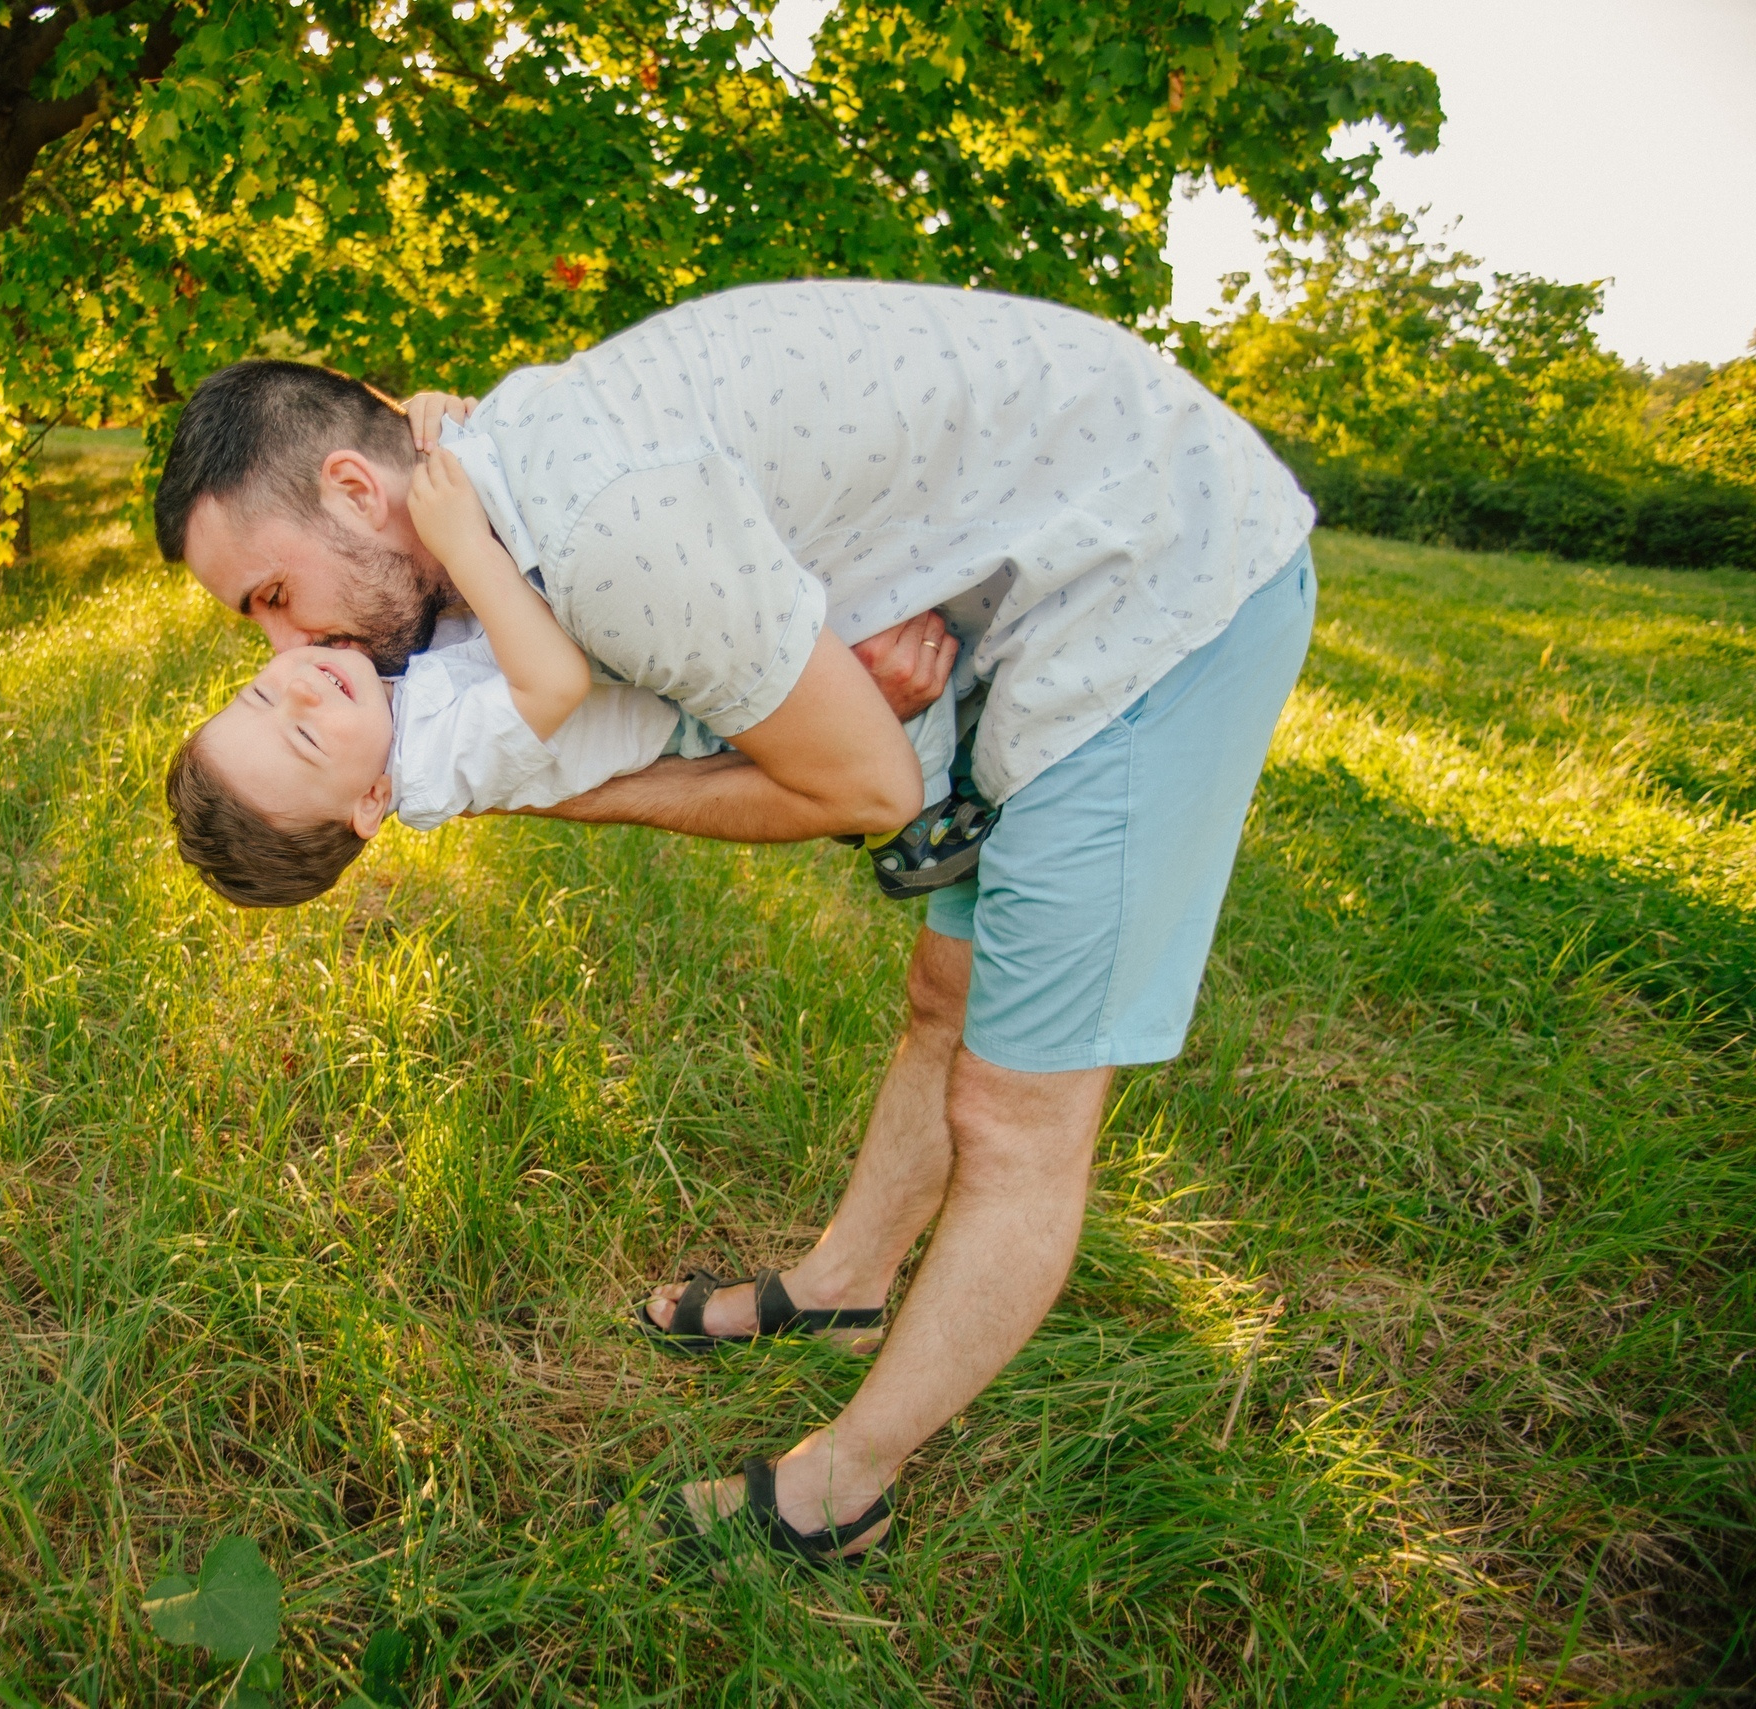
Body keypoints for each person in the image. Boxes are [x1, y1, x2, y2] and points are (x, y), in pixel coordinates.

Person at [153, 278, 1316, 1565]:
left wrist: (690, 759)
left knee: (1016, 1110)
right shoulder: (472, 483)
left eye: (268, 593)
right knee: (947, 1000)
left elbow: (860, 784)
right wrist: (828, 666)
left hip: (1154, 579)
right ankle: (840, 1291)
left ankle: (842, 1490)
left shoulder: (604, 540)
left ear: (363, 492)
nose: (285, 641)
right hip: (1026, 576)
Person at [166, 445, 961, 908]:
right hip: (681, 714)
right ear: (372, 801)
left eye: (260, 692)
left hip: (654, 666)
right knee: (866, 703)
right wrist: (465, 540)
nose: (297, 685)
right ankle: (924, 823)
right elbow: (552, 683)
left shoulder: (378, 709)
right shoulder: (437, 765)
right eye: (303, 735)